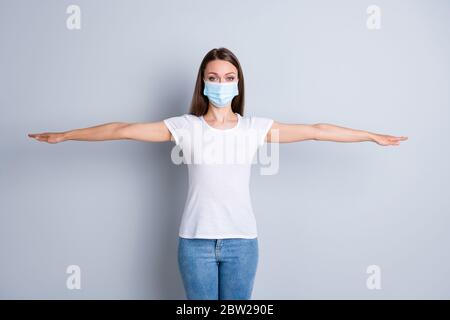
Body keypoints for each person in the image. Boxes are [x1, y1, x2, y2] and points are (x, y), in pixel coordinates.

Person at [28, 47, 408, 300]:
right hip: (194, 243)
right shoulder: (185, 127)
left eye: (229, 77)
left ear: (238, 83)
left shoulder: (254, 128)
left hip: (243, 242)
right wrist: (66, 135)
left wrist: (370, 136)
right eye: (214, 77)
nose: (221, 84)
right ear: (203, 83)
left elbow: (316, 130)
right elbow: (121, 129)